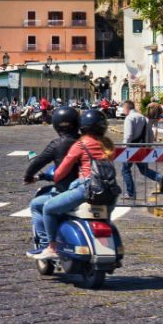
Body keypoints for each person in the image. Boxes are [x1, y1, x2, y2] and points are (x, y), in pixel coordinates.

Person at [31, 109, 115, 261]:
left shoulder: (81, 144)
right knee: (104, 220)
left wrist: (55, 177)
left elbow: (62, 170)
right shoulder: (107, 145)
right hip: (110, 190)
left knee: (48, 208)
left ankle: (51, 247)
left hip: (87, 188)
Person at [24, 106, 81, 255]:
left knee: (37, 205)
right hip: (90, 190)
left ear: (56, 124)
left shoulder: (57, 144)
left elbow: (38, 162)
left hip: (67, 191)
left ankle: (46, 244)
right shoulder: (85, 142)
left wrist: (28, 176)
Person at [121, 100, 163, 198]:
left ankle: (130, 193)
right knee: (143, 169)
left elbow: (128, 136)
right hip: (142, 147)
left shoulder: (129, 118)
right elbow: (150, 134)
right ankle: (159, 177)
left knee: (125, 170)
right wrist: (149, 146)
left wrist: (124, 148)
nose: (123, 110)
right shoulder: (144, 118)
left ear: (127, 108)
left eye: (123, 108)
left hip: (131, 148)